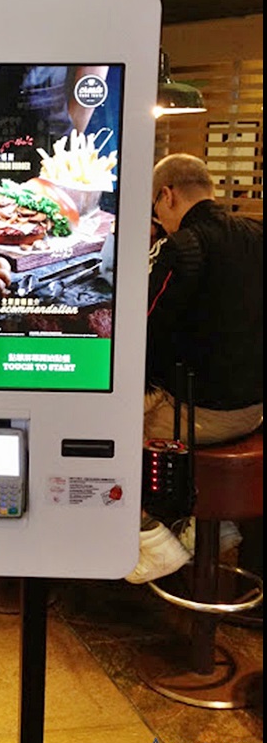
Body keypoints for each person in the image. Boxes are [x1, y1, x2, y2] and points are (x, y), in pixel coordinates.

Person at [126, 153, 263, 583]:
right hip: (256, 409)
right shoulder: (256, 234)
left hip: (205, 414)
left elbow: (142, 325)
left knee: (105, 436)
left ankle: (150, 536)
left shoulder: (183, 246)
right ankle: (209, 522)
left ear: (166, 196)